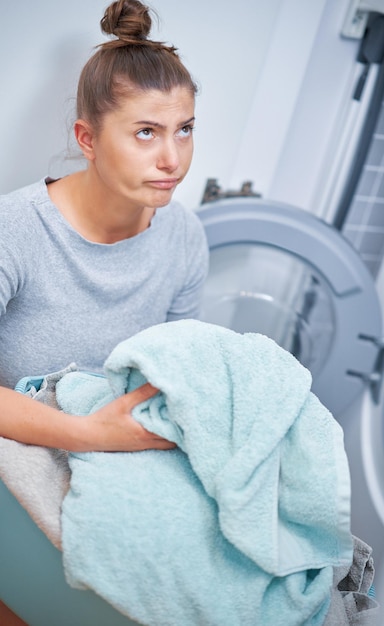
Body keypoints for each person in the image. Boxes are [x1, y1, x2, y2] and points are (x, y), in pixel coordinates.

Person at [0, 0, 209, 454]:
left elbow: (177, 373)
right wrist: (91, 435)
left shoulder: (185, 237)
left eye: (185, 129)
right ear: (87, 139)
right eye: (146, 132)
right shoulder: (13, 231)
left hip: (131, 451)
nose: (173, 159)